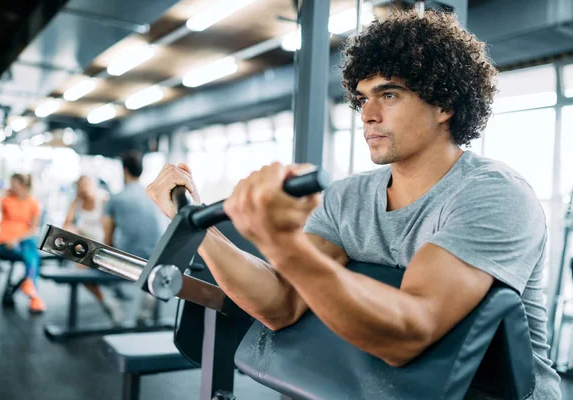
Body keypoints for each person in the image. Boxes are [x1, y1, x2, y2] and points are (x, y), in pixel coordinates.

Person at [146, 9, 562, 399]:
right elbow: (281, 304)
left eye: (390, 94)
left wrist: (281, 242)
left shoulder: (493, 195)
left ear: (445, 104)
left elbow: (407, 333)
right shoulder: (349, 197)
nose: (368, 115)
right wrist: (195, 224)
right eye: (363, 99)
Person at [104, 151, 165, 325]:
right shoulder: (153, 196)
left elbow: (107, 238)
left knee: (84, 265)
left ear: (124, 170)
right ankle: (148, 296)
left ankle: (111, 303)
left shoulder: (116, 198)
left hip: (130, 257)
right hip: (156, 255)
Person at [63, 175, 124, 324]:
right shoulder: (77, 202)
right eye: (81, 185)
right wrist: (74, 233)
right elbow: (66, 225)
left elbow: (112, 225)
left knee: (82, 268)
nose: (84, 188)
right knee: (80, 271)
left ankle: (112, 298)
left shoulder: (102, 200)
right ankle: (107, 301)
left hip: (103, 244)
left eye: (86, 184)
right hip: (86, 245)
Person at [0, 174, 45, 313]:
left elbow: (33, 229)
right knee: (32, 256)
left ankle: (30, 286)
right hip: (4, 245)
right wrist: (1, 195)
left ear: (23, 185)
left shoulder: (33, 203)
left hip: (22, 243)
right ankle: (32, 290)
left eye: (14, 184)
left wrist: (16, 239)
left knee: (30, 245)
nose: (11, 186)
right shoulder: (6, 199)